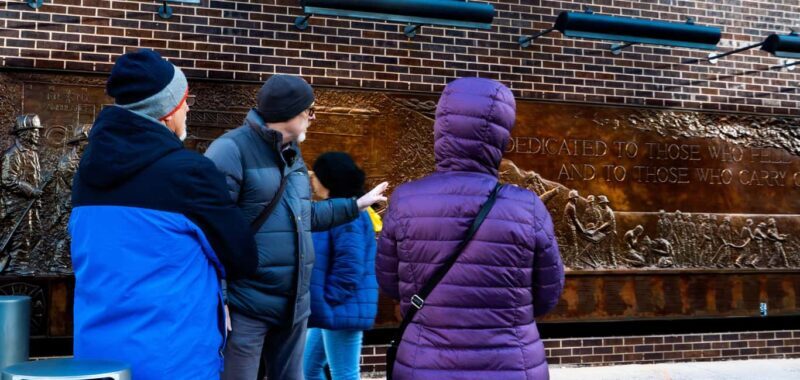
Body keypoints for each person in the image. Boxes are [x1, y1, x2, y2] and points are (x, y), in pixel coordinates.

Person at [69, 49, 258, 380]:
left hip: (97, 361)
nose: (187, 108)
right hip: (173, 359)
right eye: (185, 100)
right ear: (168, 111)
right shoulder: (189, 173)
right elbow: (241, 258)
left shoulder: (87, 172)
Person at [376, 78, 564, 380]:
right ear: (501, 135)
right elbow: (547, 295)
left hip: (425, 365)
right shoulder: (528, 207)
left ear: (442, 130)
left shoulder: (405, 200)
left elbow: (388, 284)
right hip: (511, 365)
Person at [204, 74, 387, 380]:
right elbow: (212, 229)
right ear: (289, 112)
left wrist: (355, 205)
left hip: (294, 308)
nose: (313, 117)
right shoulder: (230, 150)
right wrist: (219, 298)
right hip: (247, 305)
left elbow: (304, 216)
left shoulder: (293, 155)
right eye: (309, 110)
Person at [303, 152, 379, 380]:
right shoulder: (336, 209)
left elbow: (350, 266)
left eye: (315, 175)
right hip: (329, 308)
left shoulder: (350, 214)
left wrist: (329, 299)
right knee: (309, 369)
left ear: (328, 178)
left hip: (340, 306)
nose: (312, 180)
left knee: (344, 374)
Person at [1, 114, 44, 275]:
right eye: (35, 131)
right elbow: (7, 180)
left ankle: (20, 260)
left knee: (35, 232)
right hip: (16, 203)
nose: (38, 134)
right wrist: (31, 190)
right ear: (25, 133)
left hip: (30, 203)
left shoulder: (32, 153)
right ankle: (17, 266)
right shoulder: (12, 154)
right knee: (22, 234)